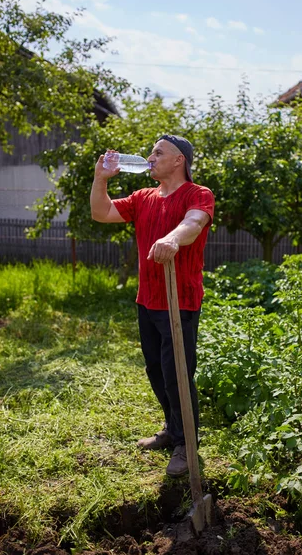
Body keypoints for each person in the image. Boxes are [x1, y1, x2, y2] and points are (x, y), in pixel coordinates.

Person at [90, 135, 215, 477]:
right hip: (148, 299)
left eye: (159, 152)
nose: (150, 157)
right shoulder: (143, 198)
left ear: (179, 160)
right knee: (156, 370)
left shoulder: (198, 194)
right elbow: (101, 213)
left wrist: (172, 238)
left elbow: (193, 223)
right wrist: (100, 179)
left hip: (180, 300)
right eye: (151, 151)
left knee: (177, 372)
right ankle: (173, 429)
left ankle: (187, 444)